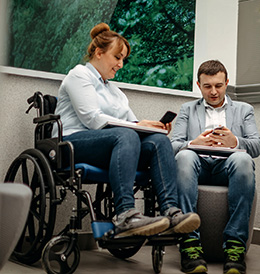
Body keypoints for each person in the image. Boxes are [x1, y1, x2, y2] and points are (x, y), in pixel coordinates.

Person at [52, 22, 200, 238]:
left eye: (123, 59)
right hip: (71, 143)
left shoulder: (115, 91)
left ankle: (171, 212)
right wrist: (137, 126)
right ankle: (125, 216)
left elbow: (132, 123)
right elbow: (93, 120)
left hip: (112, 145)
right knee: (127, 135)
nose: (121, 64)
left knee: (158, 142)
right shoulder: (79, 75)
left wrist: (153, 128)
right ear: (99, 53)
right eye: (117, 57)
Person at [171, 60, 260, 274]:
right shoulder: (187, 109)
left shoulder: (244, 110)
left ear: (227, 83)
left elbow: (257, 146)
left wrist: (236, 142)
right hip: (198, 165)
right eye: (207, 86)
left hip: (228, 167)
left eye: (219, 85)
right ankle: (189, 243)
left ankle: (235, 247)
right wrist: (194, 144)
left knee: (243, 159)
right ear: (198, 85)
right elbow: (173, 145)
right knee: (184, 156)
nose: (213, 91)